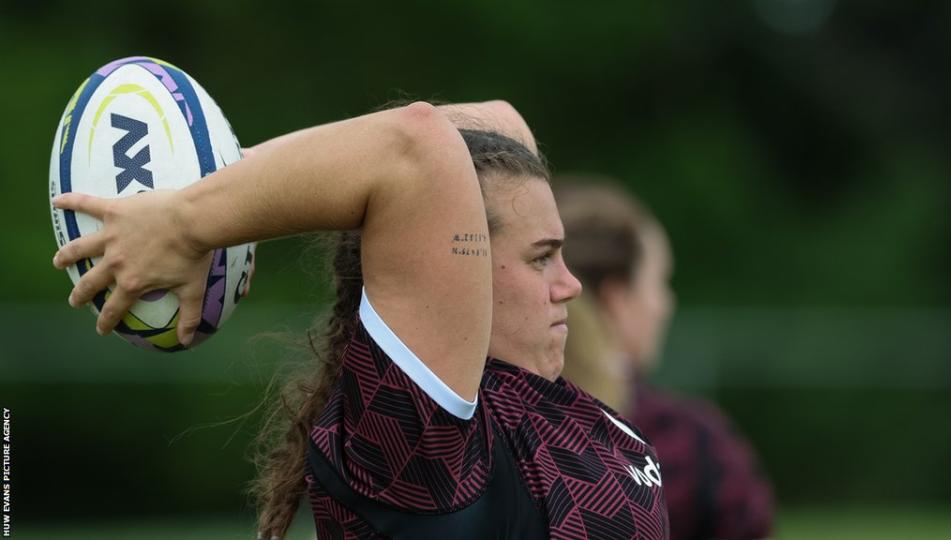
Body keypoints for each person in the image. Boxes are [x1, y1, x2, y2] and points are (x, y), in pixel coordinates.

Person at [52, 102, 669, 539]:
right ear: (460, 266)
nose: (572, 284)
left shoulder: (526, 402)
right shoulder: (429, 443)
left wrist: (217, 184)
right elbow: (416, 144)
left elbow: (500, 122)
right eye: (542, 258)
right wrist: (188, 222)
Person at [554, 178, 775, 540]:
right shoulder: (691, 445)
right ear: (616, 298)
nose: (665, 304)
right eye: (659, 282)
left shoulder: (487, 422)